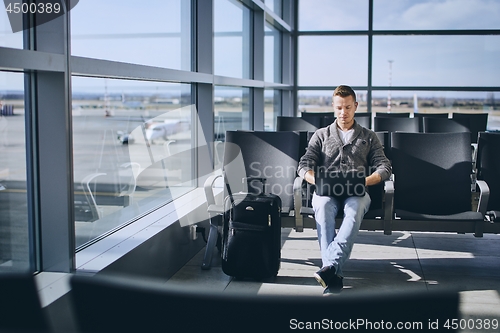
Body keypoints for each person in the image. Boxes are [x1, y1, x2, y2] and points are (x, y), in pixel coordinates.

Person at [297, 85, 391, 295]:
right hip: (326, 192)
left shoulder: (368, 136)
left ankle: (329, 267)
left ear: (355, 106)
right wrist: (317, 180)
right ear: (333, 107)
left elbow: (385, 167)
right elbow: (303, 166)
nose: (343, 112)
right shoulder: (320, 135)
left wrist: (365, 181)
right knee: (322, 206)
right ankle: (333, 273)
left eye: (348, 107)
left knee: (354, 209)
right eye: (339, 107)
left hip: (357, 192)